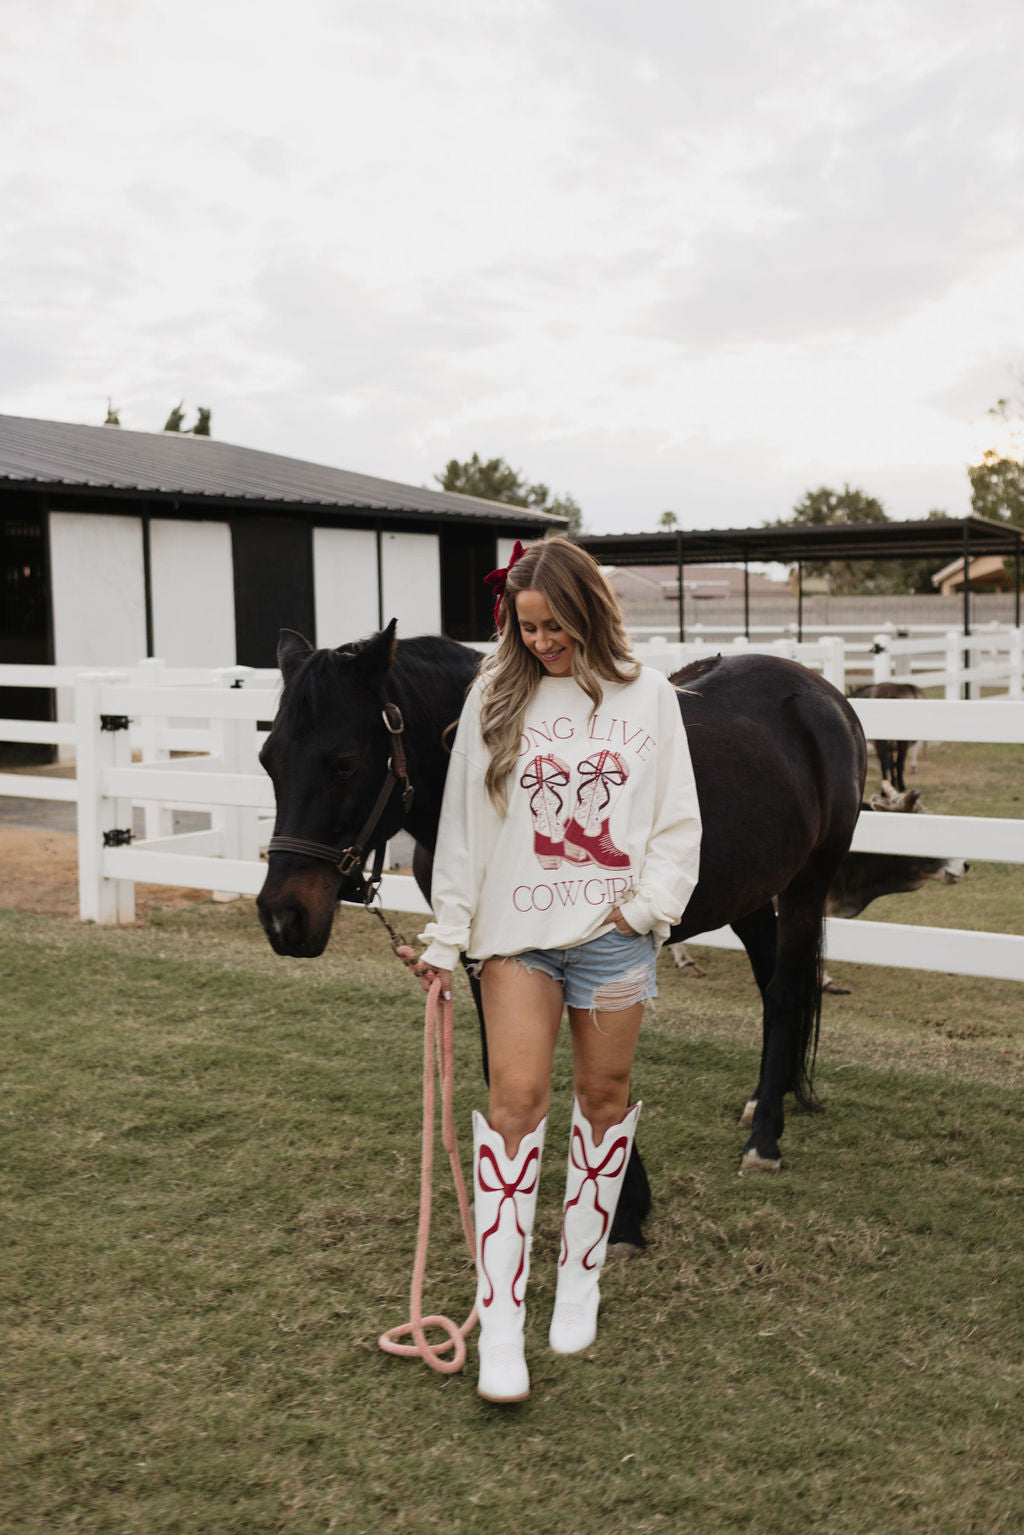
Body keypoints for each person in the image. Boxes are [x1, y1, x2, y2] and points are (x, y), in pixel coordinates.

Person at [417, 536, 702, 1403]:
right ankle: (500, 1320)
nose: (539, 641)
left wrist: (647, 908)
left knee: (605, 1101)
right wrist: (445, 933)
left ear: (587, 612)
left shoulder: (649, 696)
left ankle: (579, 1279)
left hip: (613, 936)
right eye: (526, 625)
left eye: (553, 625)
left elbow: (676, 818)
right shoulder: (493, 698)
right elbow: (464, 830)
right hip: (516, 938)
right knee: (515, 1104)